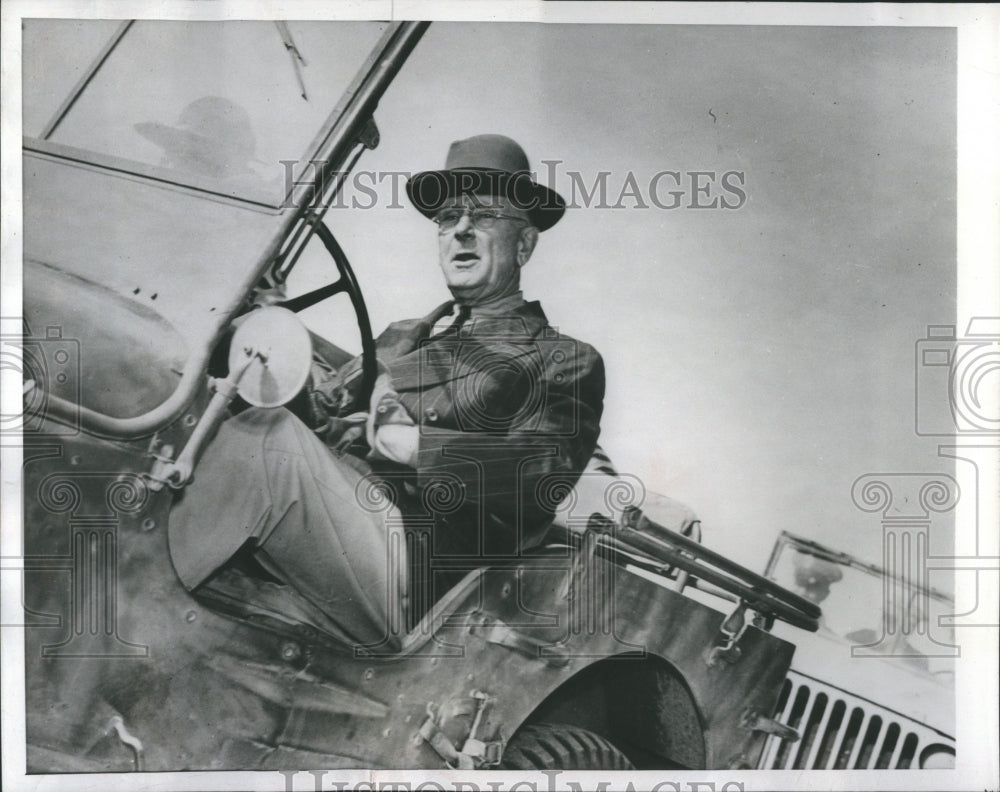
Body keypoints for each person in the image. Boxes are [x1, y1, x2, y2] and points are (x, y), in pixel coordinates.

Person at [168, 134, 605, 649]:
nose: (460, 230)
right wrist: (273, 330)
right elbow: (323, 424)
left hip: (419, 572)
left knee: (268, 444)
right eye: (447, 218)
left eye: (484, 216)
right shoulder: (402, 336)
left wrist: (413, 446)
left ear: (524, 244)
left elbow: (540, 477)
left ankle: (135, 590)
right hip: (341, 523)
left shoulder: (561, 357)